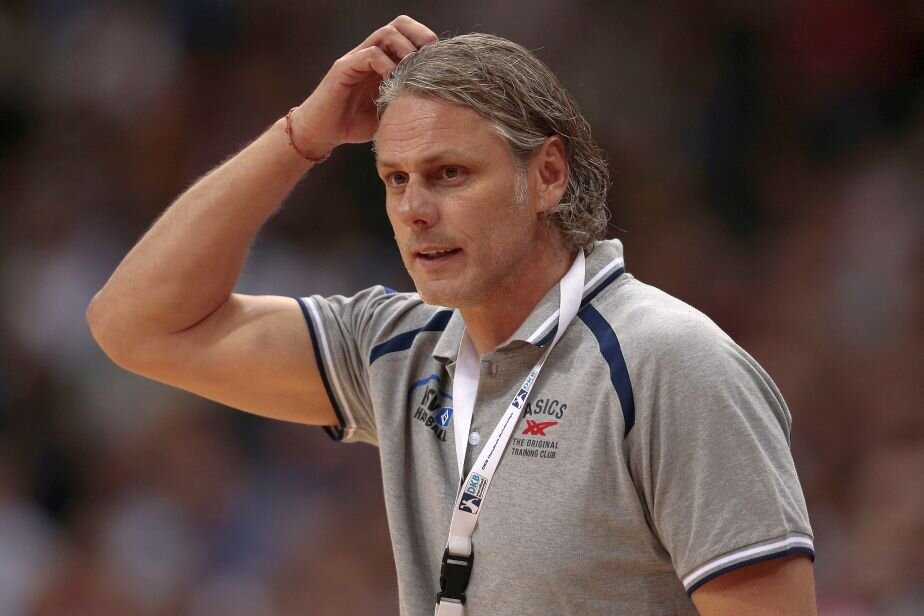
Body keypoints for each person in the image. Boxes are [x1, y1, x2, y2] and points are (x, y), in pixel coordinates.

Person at [87, 16, 817, 615]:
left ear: (548, 175)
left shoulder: (670, 362)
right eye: (395, 179)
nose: (413, 209)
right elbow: (136, 325)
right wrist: (302, 137)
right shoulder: (396, 349)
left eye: (449, 174)